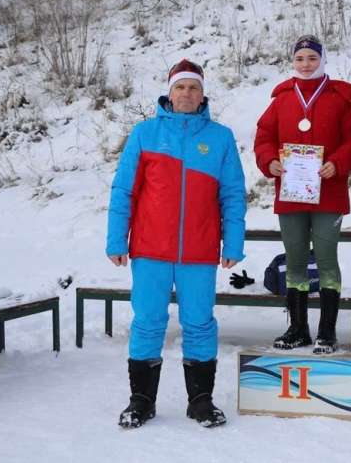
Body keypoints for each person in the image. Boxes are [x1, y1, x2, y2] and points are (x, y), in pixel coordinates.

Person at [106, 59, 246, 429]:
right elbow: (124, 189)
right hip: (150, 248)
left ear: (203, 94)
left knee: (199, 322)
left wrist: (233, 242)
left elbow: (233, 194)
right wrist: (117, 238)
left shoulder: (220, 137)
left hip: (198, 251)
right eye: (180, 87)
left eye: (193, 87)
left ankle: (200, 401)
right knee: (148, 321)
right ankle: (141, 400)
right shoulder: (145, 133)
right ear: (169, 93)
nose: (186, 93)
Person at [254, 35, 351, 353]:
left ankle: (327, 331)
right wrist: (269, 161)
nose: (305, 64)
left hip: (329, 192)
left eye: (312, 58)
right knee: (296, 260)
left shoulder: (340, 98)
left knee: (326, 259)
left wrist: (337, 163)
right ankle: (298, 328)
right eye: (300, 58)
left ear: (322, 60)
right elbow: (263, 137)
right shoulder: (281, 99)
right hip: (291, 193)